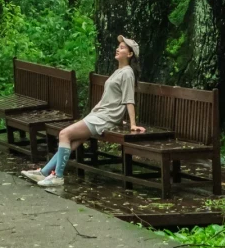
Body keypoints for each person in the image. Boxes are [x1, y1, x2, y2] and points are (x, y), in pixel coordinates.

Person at [23, 35, 143, 188]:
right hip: (99, 115)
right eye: (118, 46)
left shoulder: (127, 73)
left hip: (104, 118)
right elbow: (112, 98)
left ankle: (58, 176)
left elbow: (129, 99)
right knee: (71, 141)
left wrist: (133, 124)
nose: (117, 49)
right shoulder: (118, 71)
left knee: (64, 134)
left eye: (122, 47)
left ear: (130, 54)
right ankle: (45, 172)